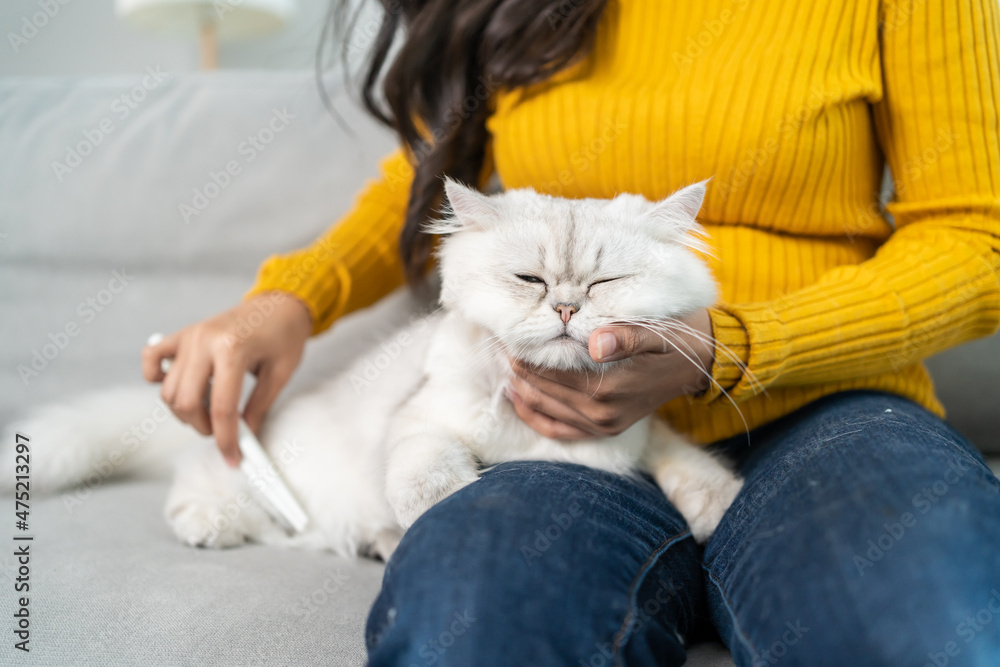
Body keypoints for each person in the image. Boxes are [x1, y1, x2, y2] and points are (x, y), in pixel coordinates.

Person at [143, 0, 1000, 664]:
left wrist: (730, 346)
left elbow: (978, 236)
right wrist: (290, 299)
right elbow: (436, 184)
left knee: (940, 624)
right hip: (544, 423)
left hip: (830, 409)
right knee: (469, 626)